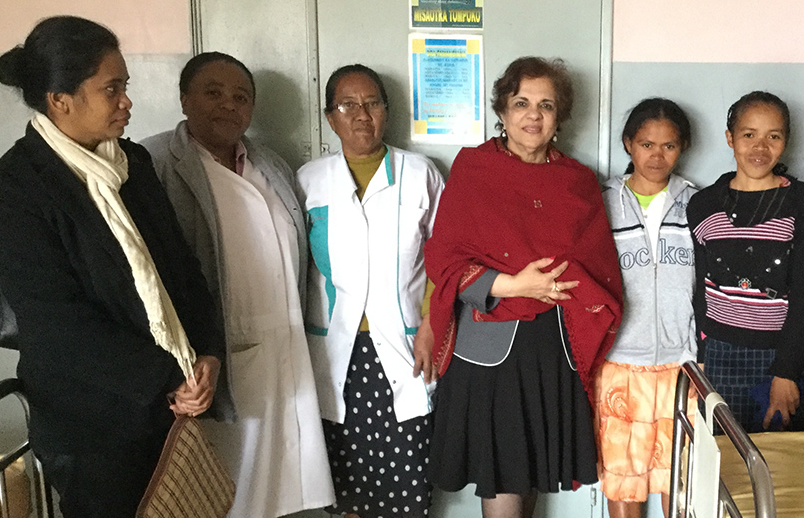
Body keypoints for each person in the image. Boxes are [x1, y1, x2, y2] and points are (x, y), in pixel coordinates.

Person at [0, 16, 223, 517]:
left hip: (167, 408)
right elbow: (57, 325)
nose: (127, 102)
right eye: (111, 89)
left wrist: (207, 352)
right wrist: (167, 376)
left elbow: (181, 271)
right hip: (92, 426)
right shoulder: (15, 190)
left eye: (126, 86)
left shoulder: (132, 164)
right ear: (60, 99)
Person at [424, 56, 623, 518]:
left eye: (546, 105)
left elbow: (598, 266)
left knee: (530, 467)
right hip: (488, 345)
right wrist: (512, 284)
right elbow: (445, 257)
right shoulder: (473, 169)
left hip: (552, 344)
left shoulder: (577, 181)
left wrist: (560, 288)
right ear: (503, 111)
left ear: (560, 117)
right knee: (502, 470)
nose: (533, 115)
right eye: (521, 103)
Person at [141, 52, 334, 517]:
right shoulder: (154, 163)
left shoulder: (269, 164)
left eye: (241, 96)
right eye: (213, 92)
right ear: (184, 98)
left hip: (285, 347)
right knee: (223, 490)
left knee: (281, 488)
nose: (229, 105)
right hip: (211, 359)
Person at [298, 64, 444, 518]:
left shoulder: (422, 174)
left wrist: (430, 327)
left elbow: (445, 262)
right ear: (330, 117)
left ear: (387, 110)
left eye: (373, 103)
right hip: (336, 351)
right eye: (348, 105)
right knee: (346, 490)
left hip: (406, 345)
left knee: (409, 486)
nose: (362, 115)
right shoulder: (308, 180)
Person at [686, 91, 804, 433]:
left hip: (780, 354)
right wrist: (702, 355)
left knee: (780, 464)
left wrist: (787, 371)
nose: (760, 148)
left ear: (786, 141)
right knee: (724, 461)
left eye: (773, 137)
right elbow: (701, 288)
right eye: (749, 135)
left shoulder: (803, 202)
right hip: (718, 354)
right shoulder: (704, 205)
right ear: (730, 138)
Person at [596, 98, 696, 518]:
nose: (657, 156)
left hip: (683, 366)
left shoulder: (698, 203)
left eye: (669, 146)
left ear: (683, 148)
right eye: (646, 144)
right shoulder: (600, 203)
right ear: (628, 145)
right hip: (620, 365)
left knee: (681, 480)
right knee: (624, 479)